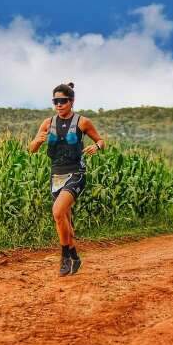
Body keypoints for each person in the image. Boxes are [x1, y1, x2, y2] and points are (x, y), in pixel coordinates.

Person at [28, 82, 105, 276]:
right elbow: (32, 149)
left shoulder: (82, 122)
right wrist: (37, 142)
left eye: (63, 101)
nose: (59, 104)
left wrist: (96, 147)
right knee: (64, 222)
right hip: (56, 176)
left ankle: (64, 258)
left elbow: (101, 141)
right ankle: (75, 257)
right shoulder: (47, 123)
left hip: (76, 174)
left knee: (57, 211)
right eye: (56, 101)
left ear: (71, 101)